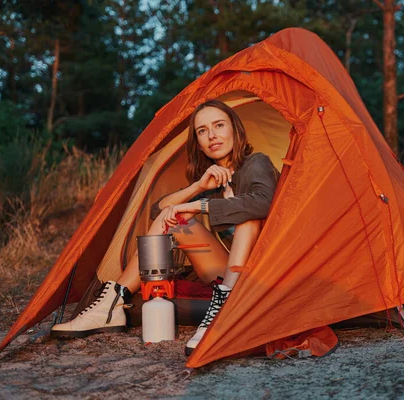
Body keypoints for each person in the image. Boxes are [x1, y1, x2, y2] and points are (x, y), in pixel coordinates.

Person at [51, 99, 279, 355]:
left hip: (263, 271)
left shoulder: (256, 163)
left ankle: (225, 308)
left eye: (219, 125)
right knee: (173, 217)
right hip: (226, 267)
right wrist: (199, 188)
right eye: (202, 131)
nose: (212, 135)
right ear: (198, 142)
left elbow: (263, 204)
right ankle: (113, 302)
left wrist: (197, 207)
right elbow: (157, 210)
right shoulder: (213, 180)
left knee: (246, 214)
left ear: (236, 131)